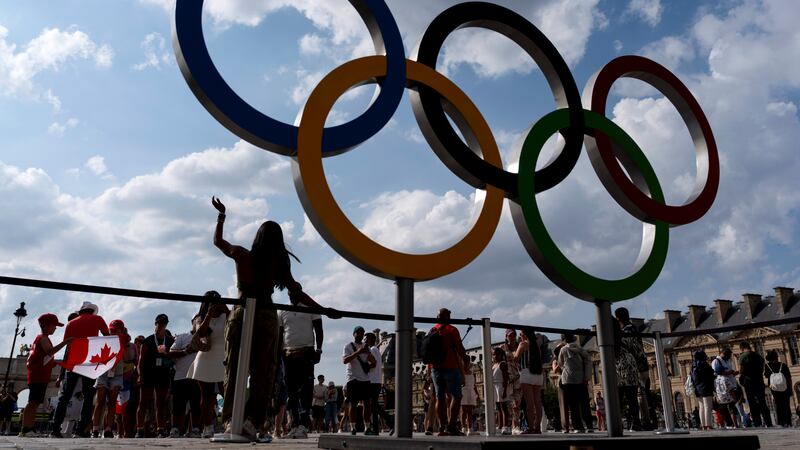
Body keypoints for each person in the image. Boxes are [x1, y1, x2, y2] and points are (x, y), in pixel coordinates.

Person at [211, 196, 325, 440]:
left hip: (241, 312)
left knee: (233, 368)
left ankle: (231, 420)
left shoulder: (242, 255)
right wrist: (325, 310)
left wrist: (221, 216)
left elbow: (218, 242)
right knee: (264, 371)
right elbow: (298, 292)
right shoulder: (278, 265)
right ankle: (253, 421)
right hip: (266, 314)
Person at [51, 301, 109, 438]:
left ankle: (55, 429)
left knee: (65, 396)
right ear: (92, 311)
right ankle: (81, 430)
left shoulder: (71, 323)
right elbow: (107, 335)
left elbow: (67, 343)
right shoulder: (98, 319)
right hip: (89, 361)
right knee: (88, 396)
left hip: (73, 361)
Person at [278, 284, 323, 439]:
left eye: (295, 292)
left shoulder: (311, 307)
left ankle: (303, 426)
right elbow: (280, 334)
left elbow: (319, 329)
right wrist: (278, 354)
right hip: (287, 353)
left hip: (306, 352)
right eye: (290, 292)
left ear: (301, 292)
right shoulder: (283, 310)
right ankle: (294, 424)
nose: (292, 295)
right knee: (290, 391)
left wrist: (319, 349)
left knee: (305, 389)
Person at [20, 314, 73, 437]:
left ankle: (29, 428)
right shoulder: (43, 338)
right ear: (47, 325)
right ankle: (26, 429)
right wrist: (65, 342)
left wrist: (55, 363)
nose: (55, 328)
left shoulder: (41, 338)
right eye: (54, 326)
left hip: (38, 375)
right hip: (38, 376)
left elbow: (44, 357)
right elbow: (50, 351)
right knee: (33, 402)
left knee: (34, 402)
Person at [187, 292, 229, 438]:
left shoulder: (227, 315)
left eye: (217, 301)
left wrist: (227, 310)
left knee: (227, 392)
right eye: (212, 302)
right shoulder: (200, 318)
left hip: (223, 356)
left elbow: (237, 327)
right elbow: (201, 333)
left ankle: (229, 423)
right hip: (206, 357)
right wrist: (209, 315)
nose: (215, 305)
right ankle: (207, 426)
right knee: (207, 395)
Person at [429, 308, 467, 436]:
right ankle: (451, 426)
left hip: (435, 368)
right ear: (448, 317)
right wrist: (466, 360)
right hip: (450, 366)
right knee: (456, 396)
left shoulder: (433, 330)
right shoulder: (452, 330)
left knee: (440, 398)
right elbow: (460, 349)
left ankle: (441, 427)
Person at [136, 313, 175, 438]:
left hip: (162, 373)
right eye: (158, 323)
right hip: (148, 373)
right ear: (155, 324)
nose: (160, 325)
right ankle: (139, 429)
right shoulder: (147, 341)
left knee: (161, 403)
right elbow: (140, 362)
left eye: (163, 323)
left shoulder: (170, 341)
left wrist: (167, 354)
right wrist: (140, 375)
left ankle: (161, 429)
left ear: (166, 325)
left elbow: (174, 359)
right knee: (143, 402)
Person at [91, 319, 130, 438]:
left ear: (122, 330)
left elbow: (127, 358)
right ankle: (95, 429)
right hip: (103, 373)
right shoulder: (103, 340)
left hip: (117, 374)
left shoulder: (124, 342)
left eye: (117, 330)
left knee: (112, 402)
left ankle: (108, 429)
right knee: (100, 402)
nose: (114, 333)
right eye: (112, 330)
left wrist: (126, 344)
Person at [615, 307, 652, 429]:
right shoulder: (633, 329)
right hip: (636, 366)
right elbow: (639, 351)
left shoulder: (623, 332)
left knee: (628, 397)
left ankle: (624, 422)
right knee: (635, 396)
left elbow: (635, 350)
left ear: (618, 318)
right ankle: (639, 422)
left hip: (627, 367)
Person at [167, 314, 202, 438]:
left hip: (197, 377)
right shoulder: (183, 337)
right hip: (181, 376)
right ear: (192, 322)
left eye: (202, 320)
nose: (200, 322)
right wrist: (185, 352)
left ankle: (196, 429)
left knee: (196, 405)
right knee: (178, 406)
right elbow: (170, 353)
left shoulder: (206, 338)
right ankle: (175, 429)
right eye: (198, 320)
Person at [342, 325, 375, 435]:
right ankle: (353, 427)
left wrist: (367, 366)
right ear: (354, 334)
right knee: (353, 404)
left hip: (365, 378)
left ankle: (367, 427)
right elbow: (345, 360)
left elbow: (374, 362)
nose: (360, 335)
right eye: (358, 333)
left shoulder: (367, 347)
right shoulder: (348, 346)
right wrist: (358, 352)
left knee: (367, 404)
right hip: (353, 378)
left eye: (362, 333)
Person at [557, 333, 594, 433]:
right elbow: (588, 361)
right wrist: (586, 377)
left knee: (573, 405)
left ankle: (578, 427)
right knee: (584, 403)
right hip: (581, 379)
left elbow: (560, 363)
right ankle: (589, 425)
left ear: (564, 340)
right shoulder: (581, 349)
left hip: (568, 379)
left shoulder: (563, 350)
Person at [613, 318, 642, 431]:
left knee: (617, 400)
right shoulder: (626, 335)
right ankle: (636, 423)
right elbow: (638, 351)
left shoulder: (608, 337)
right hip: (630, 367)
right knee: (632, 399)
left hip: (615, 370)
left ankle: (616, 423)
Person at [516, 327, 544, 434]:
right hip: (538, 374)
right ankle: (537, 427)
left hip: (526, 373)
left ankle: (531, 427)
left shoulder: (523, 345)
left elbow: (516, 358)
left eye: (521, 334)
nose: (520, 336)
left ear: (525, 335)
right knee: (538, 402)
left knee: (529, 404)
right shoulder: (536, 346)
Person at [738, 341, 772, 427]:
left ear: (742, 348)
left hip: (749, 382)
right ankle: (768, 422)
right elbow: (762, 368)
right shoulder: (759, 356)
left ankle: (757, 423)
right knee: (762, 402)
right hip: (759, 381)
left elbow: (741, 370)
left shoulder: (743, 356)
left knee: (752, 403)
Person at [365, 332, 391, 435]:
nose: (364, 341)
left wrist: (364, 367)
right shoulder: (376, 350)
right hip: (376, 381)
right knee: (374, 406)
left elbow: (373, 364)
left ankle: (391, 422)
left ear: (371, 340)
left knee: (374, 406)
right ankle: (376, 429)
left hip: (373, 381)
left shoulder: (372, 350)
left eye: (365, 339)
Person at [711, 347, 739, 427]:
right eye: (728, 355)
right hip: (727, 391)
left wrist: (731, 373)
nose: (729, 357)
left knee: (725, 410)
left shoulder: (727, 360)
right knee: (731, 409)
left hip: (724, 391)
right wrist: (728, 373)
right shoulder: (716, 362)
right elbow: (715, 373)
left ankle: (727, 425)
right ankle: (733, 425)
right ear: (723, 354)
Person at [502, 329, 523, 434]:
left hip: (518, 378)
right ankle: (512, 425)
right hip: (509, 379)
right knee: (510, 404)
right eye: (510, 335)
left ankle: (516, 426)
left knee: (517, 403)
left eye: (514, 335)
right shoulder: (503, 348)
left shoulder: (520, 346)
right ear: (506, 336)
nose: (512, 337)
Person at [764, 350, 792, 427]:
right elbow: (789, 377)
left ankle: (781, 422)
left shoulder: (767, 366)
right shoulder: (783, 365)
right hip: (785, 387)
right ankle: (788, 422)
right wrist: (789, 389)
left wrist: (771, 387)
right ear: (776, 357)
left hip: (773, 388)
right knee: (786, 405)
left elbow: (766, 376)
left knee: (778, 405)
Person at [691, 350, 715, 430]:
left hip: (698, 389)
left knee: (701, 407)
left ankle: (703, 425)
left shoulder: (693, 366)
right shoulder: (705, 365)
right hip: (706, 387)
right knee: (708, 406)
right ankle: (709, 424)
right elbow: (711, 375)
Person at [492, 347, 511, 434]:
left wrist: (504, 390)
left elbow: (505, 377)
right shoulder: (494, 364)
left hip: (500, 385)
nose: (494, 356)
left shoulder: (502, 364)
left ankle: (505, 426)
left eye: (496, 354)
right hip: (494, 386)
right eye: (493, 354)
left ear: (500, 355)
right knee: (498, 408)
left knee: (503, 407)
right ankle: (500, 426)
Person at [460, 355, 479, 436]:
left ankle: (470, 429)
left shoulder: (472, 372)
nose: (467, 363)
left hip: (471, 391)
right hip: (463, 391)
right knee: (464, 411)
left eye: (468, 362)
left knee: (470, 411)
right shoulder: (460, 372)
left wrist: (477, 393)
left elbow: (474, 385)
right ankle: (463, 428)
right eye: (465, 362)